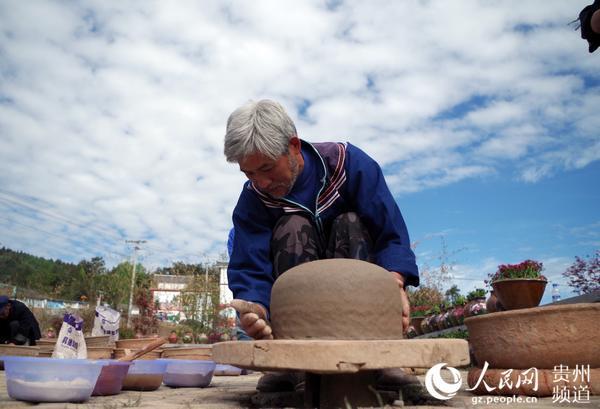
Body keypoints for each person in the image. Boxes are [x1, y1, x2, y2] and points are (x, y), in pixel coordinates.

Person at [224, 99, 419, 392]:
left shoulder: (349, 164)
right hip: (297, 312)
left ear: (293, 146)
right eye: (249, 174)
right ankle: (291, 363)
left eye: (266, 168)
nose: (261, 182)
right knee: (293, 226)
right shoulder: (253, 200)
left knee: (350, 222)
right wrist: (256, 309)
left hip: (358, 295)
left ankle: (380, 359)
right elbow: (250, 265)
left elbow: (389, 233)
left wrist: (394, 284)